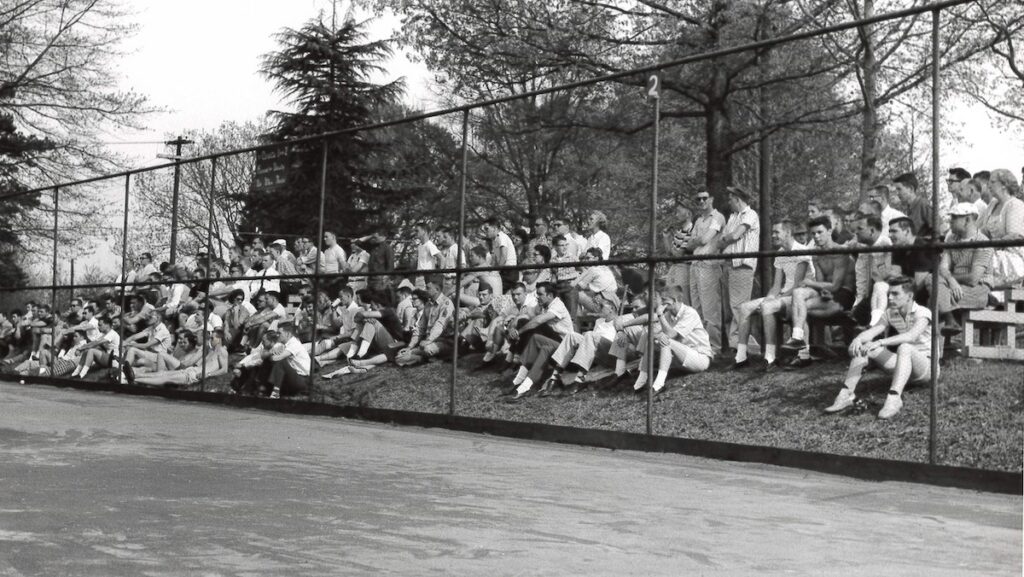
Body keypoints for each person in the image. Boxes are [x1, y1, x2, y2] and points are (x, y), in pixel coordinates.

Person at [825, 276, 933, 419]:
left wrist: (880, 342)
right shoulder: (890, 313)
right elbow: (872, 332)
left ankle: (894, 399)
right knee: (865, 346)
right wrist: (858, 340)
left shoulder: (923, 312)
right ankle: (846, 395)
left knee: (905, 347)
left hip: (926, 368)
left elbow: (910, 336)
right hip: (903, 365)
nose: (890, 298)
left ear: (909, 296)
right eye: (889, 294)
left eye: (895, 294)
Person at [732, 221, 812, 371]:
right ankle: (741, 357)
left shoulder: (802, 250)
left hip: (799, 296)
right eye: (773, 232)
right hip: (784, 295)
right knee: (744, 308)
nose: (773, 235)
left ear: (788, 233)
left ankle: (770, 357)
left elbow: (797, 284)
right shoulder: (780, 253)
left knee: (768, 306)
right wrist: (770, 297)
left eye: (777, 232)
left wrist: (773, 300)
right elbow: (776, 285)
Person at [783, 216, 856, 354]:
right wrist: (822, 291)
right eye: (813, 233)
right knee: (798, 293)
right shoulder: (816, 254)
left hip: (844, 297)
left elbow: (835, 286)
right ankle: (798, 337)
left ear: (829, 231)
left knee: (799, 309)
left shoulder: (840, 253)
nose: (816, 236)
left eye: (820, 232)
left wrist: (811, 283)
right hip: (828, 295)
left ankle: (805, 353)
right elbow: (820, 282)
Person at [630, 283, 713, 394]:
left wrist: (660, 315)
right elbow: (657, 334)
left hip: (700, 358)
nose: (661, 303)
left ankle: (659, 384)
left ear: (674, 300)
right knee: (653, 339)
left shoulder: (689, 313)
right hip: (681, 358)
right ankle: (640, 382)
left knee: (666, 340)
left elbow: (671, 334)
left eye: (664, 300)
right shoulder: (669, 315)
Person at [931, 202, 994, 335]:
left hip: (978, 290)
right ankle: (949, 322)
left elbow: (973, 278)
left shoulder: (983, 242)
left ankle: (934, 350)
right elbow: (942, 269)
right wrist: (951, 281)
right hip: (953, 286)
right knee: (933, 281)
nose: (950, 221)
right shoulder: (951, 239)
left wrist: (950, 278)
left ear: (967, 219)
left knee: (934, 296)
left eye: (954, 217)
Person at [716, 185, 760, 350]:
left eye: (730, 199)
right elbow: (721, 240)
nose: (728, 202)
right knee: (730, 309)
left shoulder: (750, 214)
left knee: (739, 307)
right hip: (728, 264)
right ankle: (739, 344)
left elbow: (733, 236)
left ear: (738, 199)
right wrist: (726, 239)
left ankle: (743, 346)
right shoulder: (733, 217)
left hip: (742, 265)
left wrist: (727, 239)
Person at [688, 190, 726, 355]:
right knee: (697, 309)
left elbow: (702, 240)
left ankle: (714, 348)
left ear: (711, 199)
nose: (702, 201)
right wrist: (698, 241)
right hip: (695, 265)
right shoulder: (698, 220)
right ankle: (701, 347)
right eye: (698, 199)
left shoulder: (717, 217)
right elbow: (689, 245)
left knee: (710, 310)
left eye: (704, 198)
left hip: (709, 266)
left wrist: (697, 240)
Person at [132, 329, 229, 387]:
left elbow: (224, 370)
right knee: (163, 373)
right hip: (192, 370)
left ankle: (135, 379)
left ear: (219, 339)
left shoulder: (222, 351)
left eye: (212, 338)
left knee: (167, 378)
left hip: (194, 375)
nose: (210, 340)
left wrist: (208, 374)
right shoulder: (211, 350)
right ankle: (134, 376)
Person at [978, 169, 1024, 288]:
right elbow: (982, 230)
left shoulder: (1015, 205)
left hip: (1011, 257)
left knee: (977, 260)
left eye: (992, 182)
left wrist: (988, 247)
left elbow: (1014, 237)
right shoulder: (993, 204)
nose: (988, 185)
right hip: (992, 251)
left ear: (1004, 185)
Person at [395, 276, 455, 366]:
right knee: (400, 356)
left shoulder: (446, 303)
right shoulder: (428, 304)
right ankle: (422, 359)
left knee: (427, 349)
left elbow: (440, 325)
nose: (425, 290)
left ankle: (436, 357)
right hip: (429, 342)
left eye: (428, 288)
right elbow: (420, 327)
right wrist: (410, 347)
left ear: (437, 289)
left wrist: (428, 340)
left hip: (444, 341)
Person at [850, 214, 892, 328]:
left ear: (872, 230)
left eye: (860, 229)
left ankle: (875, 325)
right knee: (857, 313)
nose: (856, 233)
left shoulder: (887, 244)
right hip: (874, 292)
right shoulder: (863, 248)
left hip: (891, 289)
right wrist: (858, 302)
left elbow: (889, 274)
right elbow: (861, 277)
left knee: (880, 287)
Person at [265, 321, 311, 399]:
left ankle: (275, 393)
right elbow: (264, 355)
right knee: (267, 361)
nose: (277, 335)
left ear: (288, 334)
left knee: (280, 362)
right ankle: (263, 389)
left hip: (302, 380)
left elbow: (277, 358)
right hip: (292, 376)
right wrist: (271, 353)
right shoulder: (283, 344)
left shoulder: (294, 344)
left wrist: (271, 354)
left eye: (279, 333)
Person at [573, 247, 619, 315]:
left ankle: (577, 320)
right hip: (613, 305)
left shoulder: (593, 270)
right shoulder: (605, 268)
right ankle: (580, 317)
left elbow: (579, 286)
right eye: (585, 258)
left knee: (574, 293)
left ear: (596, 258)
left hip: (602, 307)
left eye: (588, 258)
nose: (585, 260)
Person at [892, 172, 934, 240]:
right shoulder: (909, 208)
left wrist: (920, 241)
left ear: (911, 189)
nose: (897, 193)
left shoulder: (922, 204)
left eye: (899, 189)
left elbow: (940, 230)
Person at [480, 217, 518, 290]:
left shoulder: (501, 236)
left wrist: (495, 272)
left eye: (487, 229)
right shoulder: (495, 240)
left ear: (494, 228)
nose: (485, 232)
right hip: (504, 271)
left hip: (509, 272)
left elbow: (503, 257)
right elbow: (495, 260)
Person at [413, 222, 442, 288]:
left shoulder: (429, 245)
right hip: (419, 277)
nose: (415, 233)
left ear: (424, 231)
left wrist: (438, 275)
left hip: (427, 277)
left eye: (417, 231)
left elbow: (441, 258)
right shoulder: (420, 246)